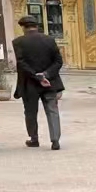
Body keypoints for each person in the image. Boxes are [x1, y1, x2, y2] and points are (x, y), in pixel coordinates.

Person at [12, 15, 64, 150]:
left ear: (23, 27)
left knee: (30, 112)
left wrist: (36, 76)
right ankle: (55, 140)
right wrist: (45, 74)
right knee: (52, 110)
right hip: (49, 81)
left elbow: (21, 63)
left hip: (29, 83)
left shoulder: (18, 42)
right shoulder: (49, 40)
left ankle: (34, 139)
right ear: (37, 26)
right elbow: (58, 61)